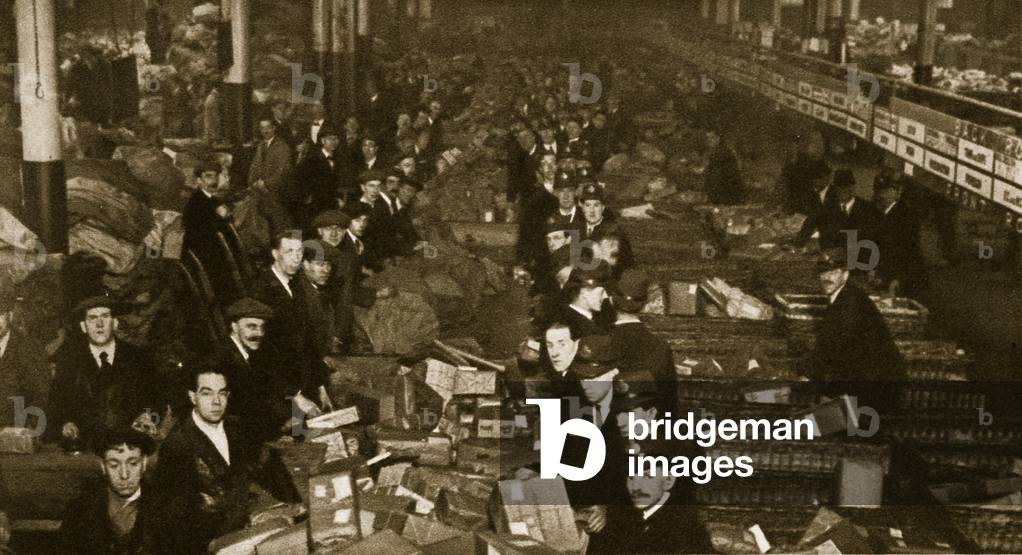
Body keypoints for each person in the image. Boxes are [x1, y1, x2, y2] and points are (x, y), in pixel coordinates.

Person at [150, 367, 249, 554]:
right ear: (192, 397)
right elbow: (174, 520)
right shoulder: (177, 445)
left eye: (222, 393)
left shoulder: (238, 428)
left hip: (246, 534)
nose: (216, 401)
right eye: (207, 393)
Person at [50, 296, 160, 446]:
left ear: (114, 323)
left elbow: (155, 398)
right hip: (85, 448)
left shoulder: (139, 358)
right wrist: (66, 424)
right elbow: (57, 404)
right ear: (83, 326)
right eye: (92, 318)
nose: (99, 324)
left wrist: (147, 416)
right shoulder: (69, 362)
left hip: (130, 446)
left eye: (105, 316)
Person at [802, 248, 905, 408]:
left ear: (845, 274)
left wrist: (811, 376)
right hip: (867, 378)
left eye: (833, 272)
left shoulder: (850, 303)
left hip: (875, 386)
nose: (826, 278)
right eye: (823, 273)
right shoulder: (844, 295)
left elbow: (837, 345)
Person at [248, 232, 331, 417]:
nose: (296, 258)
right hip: (276, 389)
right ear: (275, 254)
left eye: (299, 252)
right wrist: (295, 395)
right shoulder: (262, 290)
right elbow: (265, 352)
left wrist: (320, 385)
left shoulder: (296, 286)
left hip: (299, 383)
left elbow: (308, 341)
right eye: (289, 251)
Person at [590, 440, 713, 554]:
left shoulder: (687, 530)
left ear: (668, 480)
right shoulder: (615, 520)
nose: (636, 487)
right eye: (631, 477)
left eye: (647, 476)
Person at [58, 427, 158, 554]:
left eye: (133, 463)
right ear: (103, 466)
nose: (124, 475)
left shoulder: (165, 507)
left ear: (144, 463)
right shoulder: (81, 509)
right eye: (114, 465)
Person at [219, 298, 292, 449]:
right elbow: (237, 413)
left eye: (261, 327)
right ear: (234, 326)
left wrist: (286, 420)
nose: (259, 333)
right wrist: (275, 434)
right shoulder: (223, 360)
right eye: (252, 327)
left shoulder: (250, 356)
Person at [608, 269, 677, 410]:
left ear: (610, 300)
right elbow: (669, 404)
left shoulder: (598, 341)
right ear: (645, 305)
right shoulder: (661, 347)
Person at [182, 161, 236, 305]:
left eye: (215, 176)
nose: (213, 181)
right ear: (199, 180)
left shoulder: (209, 198)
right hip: (207, 256)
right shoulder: (198, 201)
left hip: (212, 250)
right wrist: (224, 216)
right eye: (208, 177)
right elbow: (212, 229)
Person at [0, 292, 49, 428]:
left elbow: (40, 397)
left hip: (15, 435)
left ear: (9, 315)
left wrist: (27, 434)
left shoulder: (30, 348)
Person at [873, 176, 928, 299]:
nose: (882, 194)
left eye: (887, 190)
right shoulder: (886, 213)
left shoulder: (903, 215)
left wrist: (898, 279)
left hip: (903, 280)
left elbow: (908, 251)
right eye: (880, 191)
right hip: (893, 278)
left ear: (898, 192)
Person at [291, 124, 345, 228]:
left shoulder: (339, 159)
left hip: (331, 207)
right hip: (314, 208)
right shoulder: (311, 160)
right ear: (322, 141)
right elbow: (303, 186)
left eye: (336, 139)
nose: (333, 142)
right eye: (330, 139)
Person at [248, 117, 294, 235]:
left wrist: (266, 183)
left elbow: (283, 172)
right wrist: (253, 182)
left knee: (280, 226)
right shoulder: (261, 146)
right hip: (261, 192)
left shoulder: (282, 147)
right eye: (262, 128)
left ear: (274, 128)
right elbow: (254, 167)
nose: (265, 131)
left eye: (268, 127)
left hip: (277, 192)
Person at [579, 182, 635, 273]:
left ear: (603, 207)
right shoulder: (576, 229)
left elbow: (626, 265)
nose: (592, 210)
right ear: (582, 207)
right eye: (588, 205)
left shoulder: (615, 232)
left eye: (596, 205)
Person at [300, 240, 341, 359]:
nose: (326, 270)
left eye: (328, 264)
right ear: (305, 264)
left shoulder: (317, 291)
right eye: (320, 264)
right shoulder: (301, 293)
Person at [560, 260, 616, 338]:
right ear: (584, 291)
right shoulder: (588, 331)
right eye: (602, 292)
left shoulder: (562, 316)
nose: (605, 296)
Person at [703, 128, 745, 205]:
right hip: (723, 190)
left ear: (718, 138)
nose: (709, 140)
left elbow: (718, 176)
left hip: (726, 192)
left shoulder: (722, 152)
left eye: (712, 138)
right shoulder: (717, 151)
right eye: (707, 138)